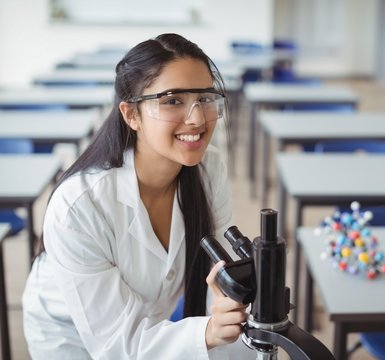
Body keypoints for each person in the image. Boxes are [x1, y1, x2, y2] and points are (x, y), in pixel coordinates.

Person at [22, 33, 254, 359]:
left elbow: (220, 281)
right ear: (131, 115)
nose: (198, 118)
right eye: (173, 100)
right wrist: (206, 332)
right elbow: (117, 344)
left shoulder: (208, 168)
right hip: (68, 332)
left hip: (149, 316)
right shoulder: (79, 205)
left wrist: (231, 313)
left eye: (205, 98)